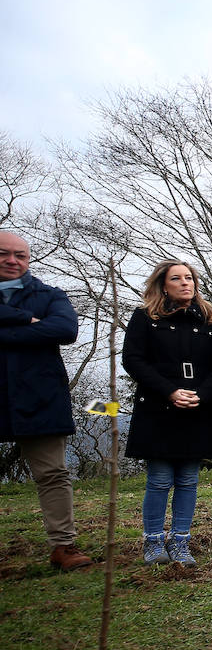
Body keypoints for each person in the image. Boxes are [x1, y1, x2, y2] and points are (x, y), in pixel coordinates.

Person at [121, 261, 212, 566]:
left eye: (189, 278)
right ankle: (153, 541)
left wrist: (203, 394)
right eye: (177, 279)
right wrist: (169, 391)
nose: (186, 283)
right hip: (158, 408)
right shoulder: (146, 318)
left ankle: (181, 541)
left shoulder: (209, 320)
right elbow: (133, 359)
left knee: (188, 480)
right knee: (158, 478)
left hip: (197, 408)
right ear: (163, 285)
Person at [0, 230, 90, 571]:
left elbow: (65, 330)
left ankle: (63, 546)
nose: (12, 260)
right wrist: (26, 320)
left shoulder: (50, 295)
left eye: (20, 255)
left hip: (39, 395)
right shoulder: (35, 307)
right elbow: (45, 330)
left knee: (52, 473)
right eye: (4, 254)